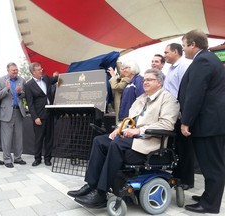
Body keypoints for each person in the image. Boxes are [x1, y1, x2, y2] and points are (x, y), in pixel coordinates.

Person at [67, 68, 180, 208]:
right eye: (144, 80)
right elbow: (128, 119)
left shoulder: (168, 99)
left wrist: (139, 130)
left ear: (159, 82)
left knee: (117, 144)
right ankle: (91, 185)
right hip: (133, 137)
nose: (145, 82)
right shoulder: (141, 98)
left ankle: (101, 194)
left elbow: (167, 124)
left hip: (150, 141)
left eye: (149, 80)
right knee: (100, 140)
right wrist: (118, 129)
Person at [179, 29, 225, 214]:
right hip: (211, 122)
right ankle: (209, 197)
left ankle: (210, 205)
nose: (183, 50)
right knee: (212, 163)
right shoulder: (207, 58)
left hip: (208, 123)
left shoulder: (203, 60)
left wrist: (186, 121)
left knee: (212, 164)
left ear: (193, 45)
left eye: (184, 46)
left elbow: (195, 93)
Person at [163, 43, 194, 190]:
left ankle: (187, 180)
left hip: (182, 113)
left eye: (166, 52)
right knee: (176, 147)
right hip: (172, 112)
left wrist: (184, 115)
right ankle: (177, 176)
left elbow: (188, 91)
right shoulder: (170, 68)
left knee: (185, 148)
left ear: (176, 52)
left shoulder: (184, 66)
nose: (164, 55)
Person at [25, 62, 59, 166]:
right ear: (33, 72)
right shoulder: (28, 85)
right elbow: (30, 104)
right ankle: (37, 158)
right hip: (39, 116)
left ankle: (48, 158)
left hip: (50, 114)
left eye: (41, 69)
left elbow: (55, 79)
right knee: (39, 139)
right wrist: (35, 117)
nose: (41, 71)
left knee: (49, 138)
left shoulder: (46, 78)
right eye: (39, 70)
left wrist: (60, 76)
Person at [0, 62, 27, 168]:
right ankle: (7, 159)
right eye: (13, 70)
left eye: (16, 70)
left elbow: (24, 95)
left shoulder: (21, 80)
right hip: (6, 113)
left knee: (19, 137)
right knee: (6, 138)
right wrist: (6, 89)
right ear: (8, 70)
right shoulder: (1, 80)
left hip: (19, 112)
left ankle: (18, 158)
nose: (16, 71)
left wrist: (19, 92)